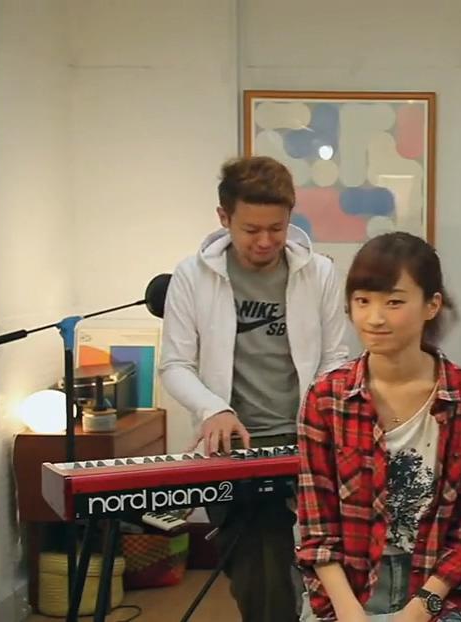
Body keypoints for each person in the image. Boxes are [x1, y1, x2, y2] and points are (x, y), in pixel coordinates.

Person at [159, 155, 351, 622]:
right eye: (251, 230)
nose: (265, 241)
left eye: (276, 228)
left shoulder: (318, 272)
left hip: (307, 438)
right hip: (234, 443)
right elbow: (175, 365)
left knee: (329, 564)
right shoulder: (192, 276)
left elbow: (335, 359)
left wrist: (320, 417)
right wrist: (213, 409)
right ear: (224, 218)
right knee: (258, 574)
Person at [295, 231, 461, 622]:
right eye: (362, 301)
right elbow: (317, 529)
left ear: (431, 305)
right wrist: (350, 613)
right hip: (347, 587)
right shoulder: (326, 397)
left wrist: (418, 612)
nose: (375, 318)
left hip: (438, 590)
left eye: (394, 302)